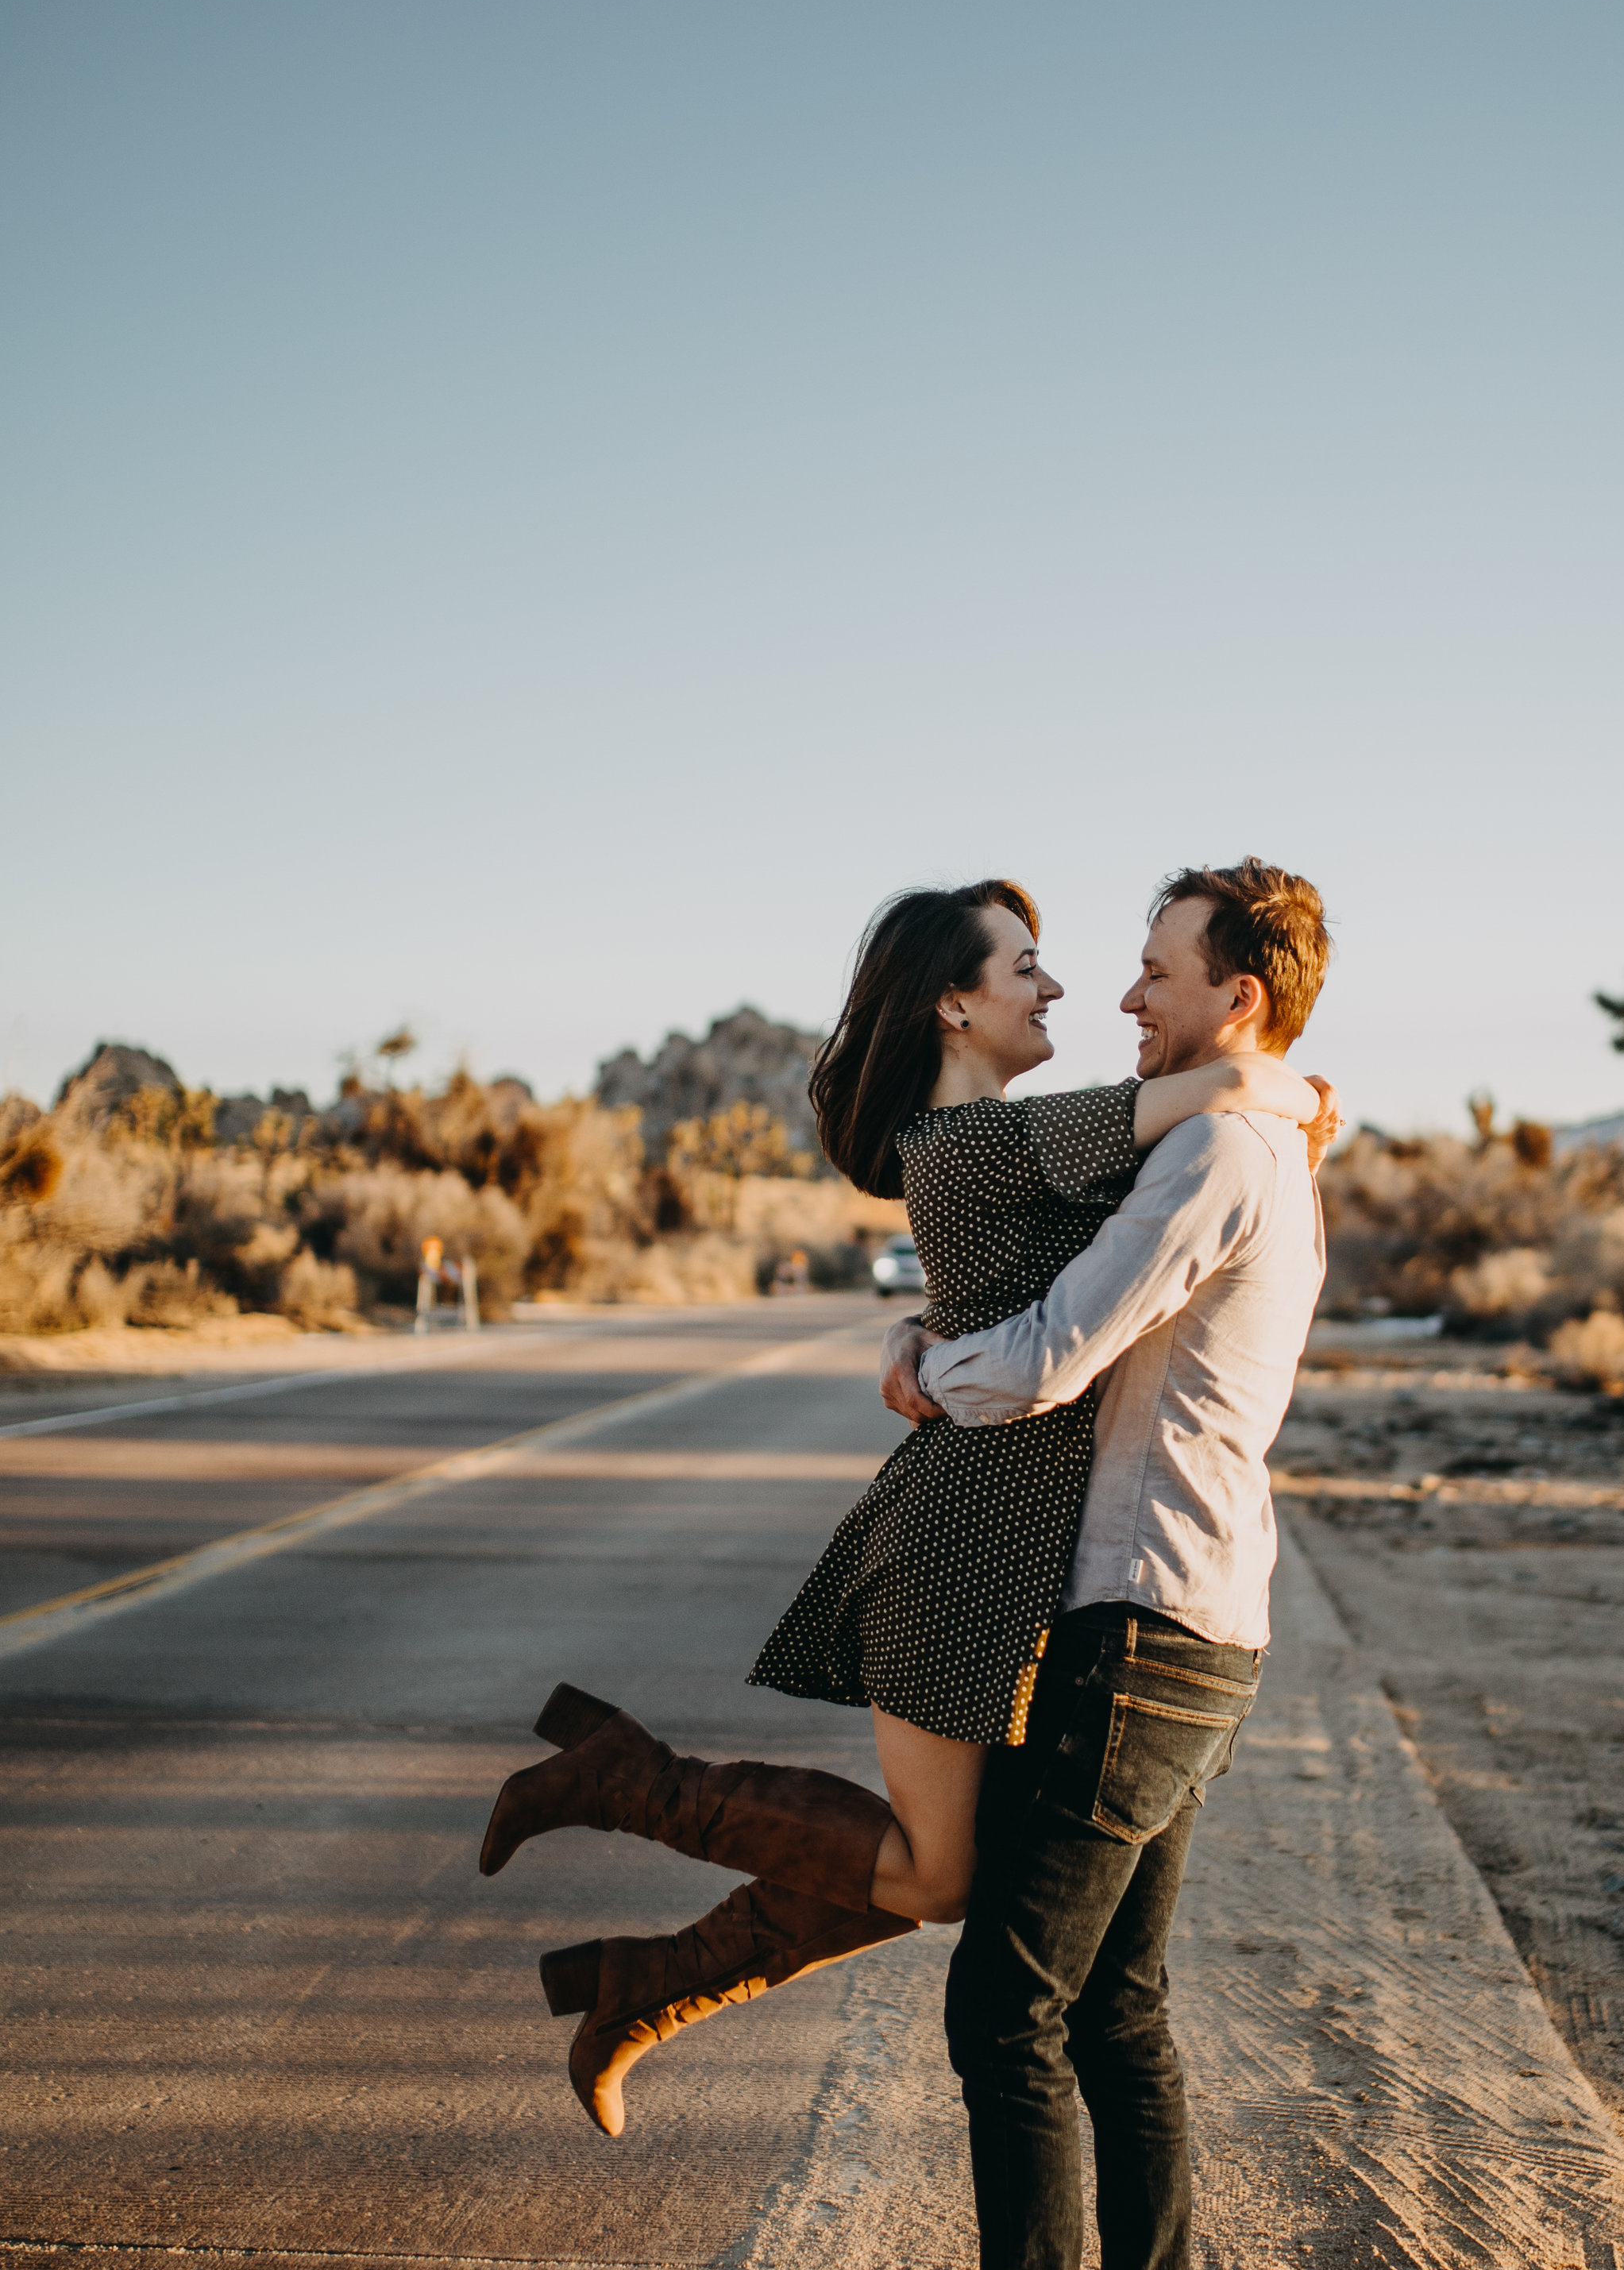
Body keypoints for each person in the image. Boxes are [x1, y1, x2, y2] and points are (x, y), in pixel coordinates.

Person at [476, 877, 1325, 2141]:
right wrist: (1302, 1095)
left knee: (951, 1876)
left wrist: (924, 1332)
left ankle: (640, 1982)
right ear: (952, 1003)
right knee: (938, 1877)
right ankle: (629, 1795)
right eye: (1024, 966)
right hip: (960, 1539)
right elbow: (1230, 1095)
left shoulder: (1027, 1133)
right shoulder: (984, 1139)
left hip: (1007, 1546)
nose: (1057, 989)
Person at [816, 861, 1333, 2270]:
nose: (1123, 997)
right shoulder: (1240, 1134)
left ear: (1230, 997)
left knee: (1005, 2009)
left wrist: (917, 1373)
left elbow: (1047, 1352)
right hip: (1204, 1622)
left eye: (1153, 970)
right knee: (1114, 2013)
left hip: (1139, 1630)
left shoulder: (1217, 1155)